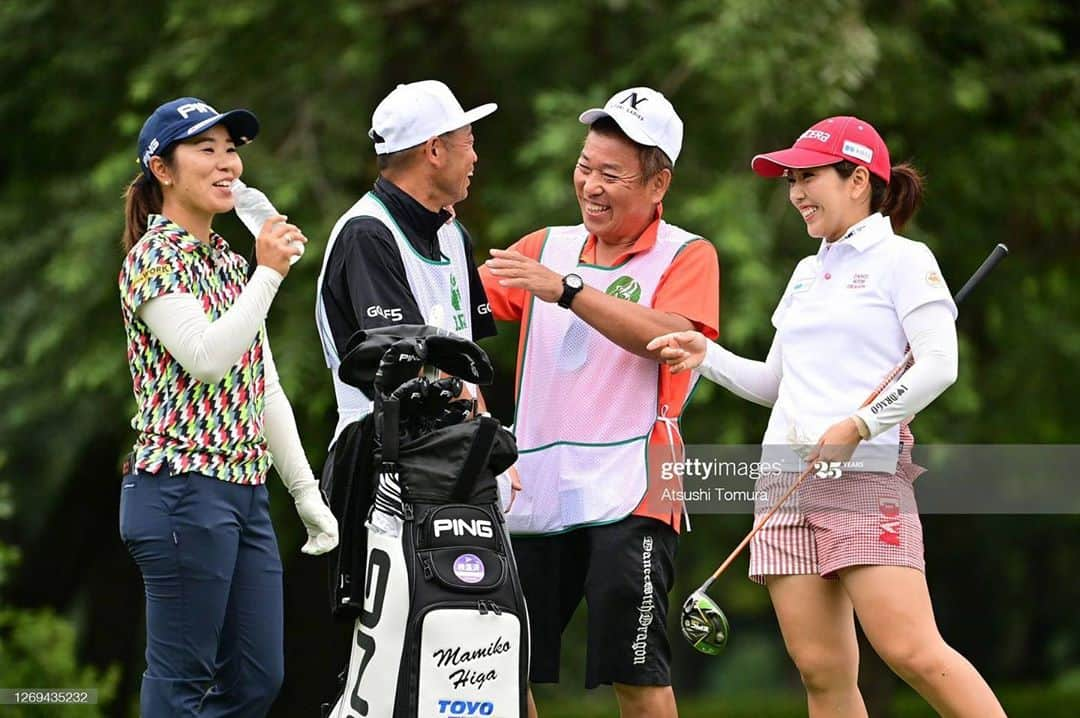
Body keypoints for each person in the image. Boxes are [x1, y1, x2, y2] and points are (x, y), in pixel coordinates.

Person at [649, 116, 1006, 717]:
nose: (795, 193)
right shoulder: (807, 272)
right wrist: (705, 355)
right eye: (790, 180)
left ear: (858, 179)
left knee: (910, 649)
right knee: (822, 674)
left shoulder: (904, 259)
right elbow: (776, 385)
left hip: (863, 477)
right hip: (783, 483)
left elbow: (940, 364)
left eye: (808, 177)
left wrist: (860, 425)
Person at [480, 87, 720, 718]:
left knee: (636, 677)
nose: (590, 185)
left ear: (658, 182)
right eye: (585, 166)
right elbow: (462, 313)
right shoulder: (544, 248)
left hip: (637, 490)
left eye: (611, 174)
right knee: (498, 667)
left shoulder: (689, 254)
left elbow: (670, 336)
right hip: (536, 486)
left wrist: (569, 291)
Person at [118, 97, 339, 717]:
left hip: (242, 492)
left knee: (256, 680)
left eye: (232, 150)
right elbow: (207, 357)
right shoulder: (153, 259)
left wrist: (303, 492)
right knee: (181, 682)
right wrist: (268, 274)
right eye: (206, 150)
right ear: (162, 170)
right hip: (180, 490)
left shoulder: (226, 261)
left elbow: (259, 382)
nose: (227, 165)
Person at [314, 80, 502, 612]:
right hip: (382, 467)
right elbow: (400, 369)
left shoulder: (452, 234)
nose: (476, 155)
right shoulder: (367, 234)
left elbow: (469, 366)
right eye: (467, 140)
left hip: (453, 464)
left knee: (490, 634)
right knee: (406, 641)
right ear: (434, 150)